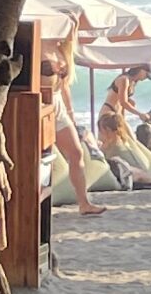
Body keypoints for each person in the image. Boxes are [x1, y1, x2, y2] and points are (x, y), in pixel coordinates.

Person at [43, 36, 106, 217]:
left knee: (76, 152)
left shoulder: (61, 49)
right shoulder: (37, 43)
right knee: (40, 158)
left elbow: (64, 87)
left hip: (58, 105)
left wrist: (71, 114)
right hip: (41, 103)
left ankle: (84, 203)